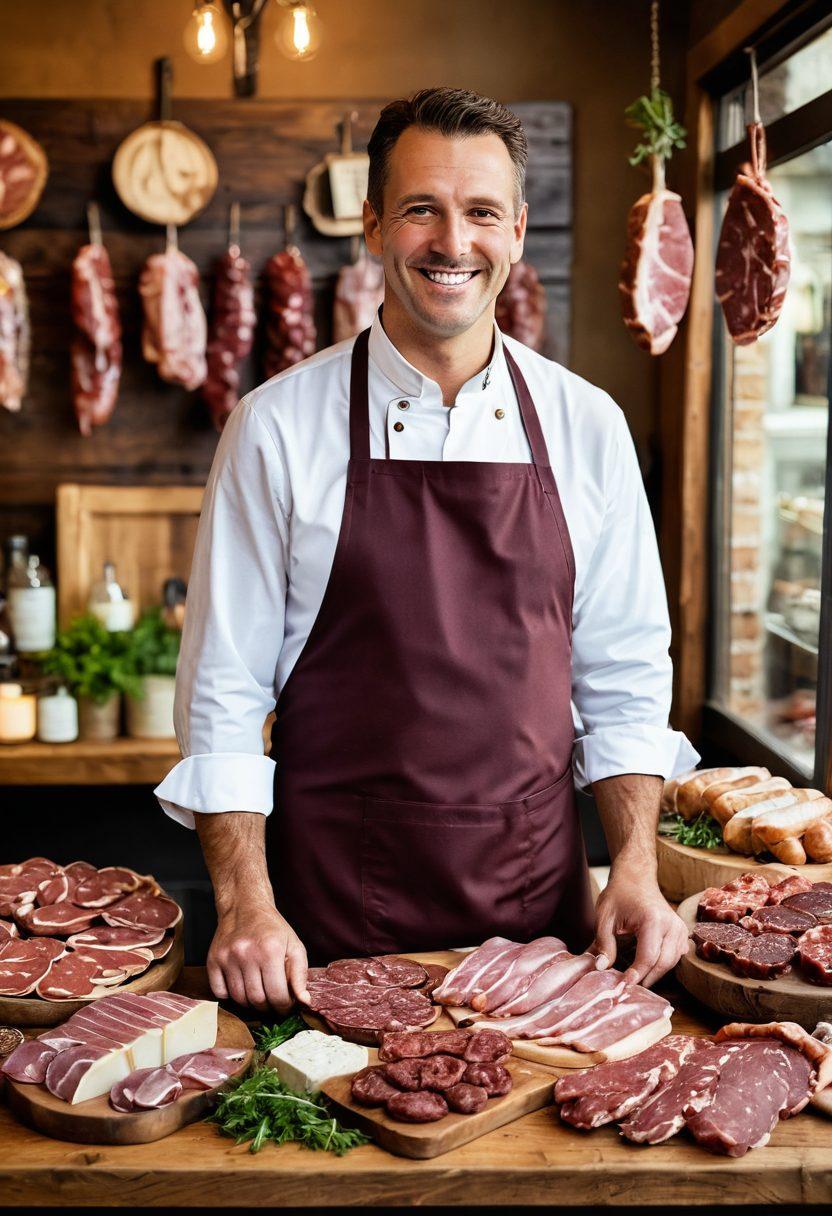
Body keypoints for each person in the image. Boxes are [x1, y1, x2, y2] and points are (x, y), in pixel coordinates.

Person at [156, 87, 699, 1013]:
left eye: (482, 212)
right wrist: (246, 905)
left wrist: (637, 871)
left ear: (517, 231)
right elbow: (224, 690)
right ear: (373, 224)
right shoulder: (275, 427)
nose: (453, 242)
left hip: (542, 921)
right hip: (324, 925)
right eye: (421, 209)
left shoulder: (587, 426)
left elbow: (624, 677)